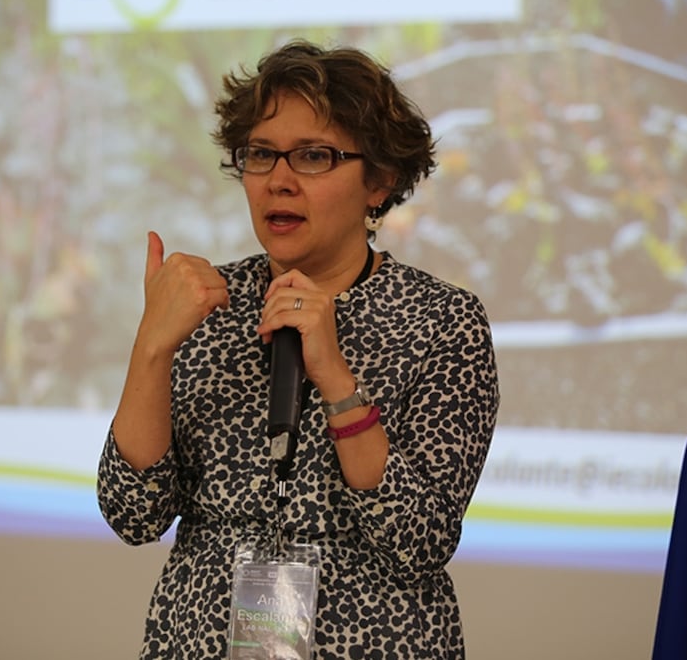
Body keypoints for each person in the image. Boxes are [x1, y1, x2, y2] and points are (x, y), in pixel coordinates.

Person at [97, 39, 500, 659]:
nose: (279, 181)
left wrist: (337, 379)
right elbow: (133, 513)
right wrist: (152, 346)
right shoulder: (206, 303)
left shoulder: (442, 322)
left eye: (313, 156)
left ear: (380, 181)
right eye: (261, 155)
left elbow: (419, 537)